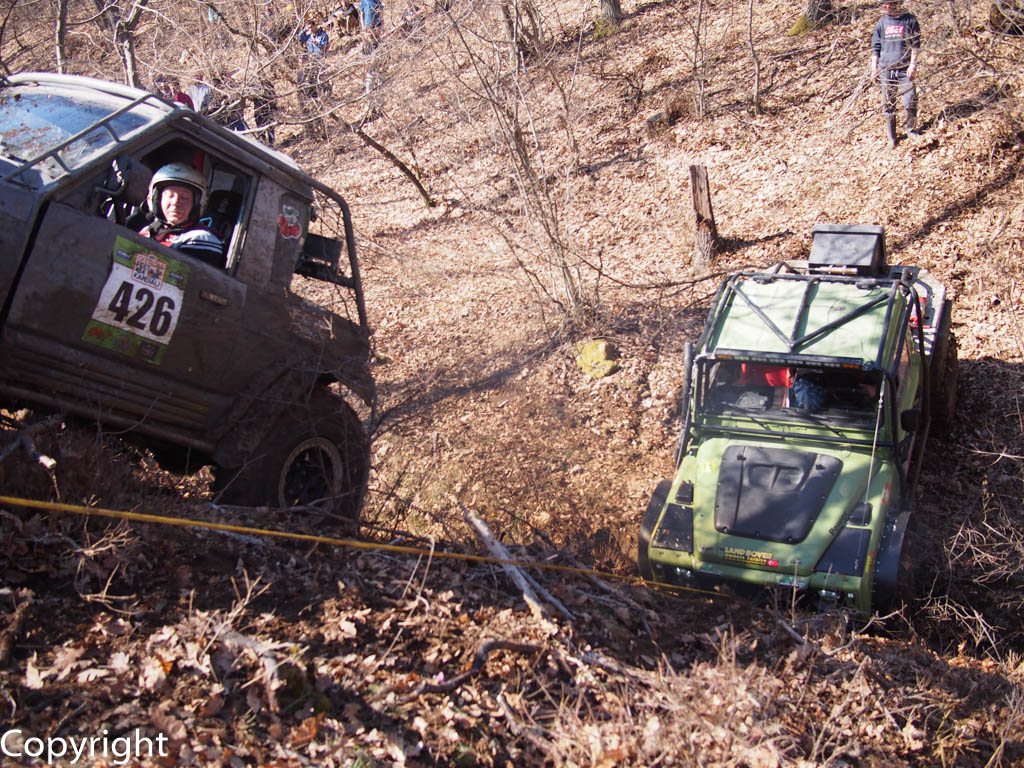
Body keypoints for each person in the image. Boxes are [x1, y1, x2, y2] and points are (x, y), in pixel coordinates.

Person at [139, 163, 224, 268]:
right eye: (170, 196)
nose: (175, 202)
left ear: (196, 203)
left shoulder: (201, 238)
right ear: (157, 199)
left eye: (184, 197)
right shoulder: (149, 230)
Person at [870, 0, 921, 148]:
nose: (886, 7)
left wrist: (913, 64)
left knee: (910, 100)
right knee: (889, 104)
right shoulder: (881, 23)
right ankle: (892, 137)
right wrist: (875, 68)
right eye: (883, 4)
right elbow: (876, 48)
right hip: (887, 69)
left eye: (889, 3)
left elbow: (915, 45)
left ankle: (911, 130)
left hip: (905, 69)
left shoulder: (909, 20)